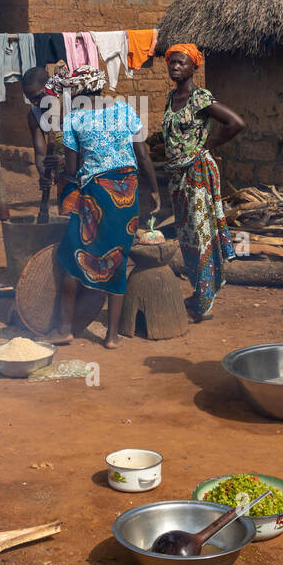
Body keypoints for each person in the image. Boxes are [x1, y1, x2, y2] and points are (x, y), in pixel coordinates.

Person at [53, 66, 160, 347]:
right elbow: (143, 155)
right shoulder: (125, 110)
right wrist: (156, 190)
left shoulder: (74, 120)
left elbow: (72, 168)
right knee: (118, 258)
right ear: (99, 87)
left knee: (73, 256)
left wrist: (59, 177)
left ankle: (64, 329)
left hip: (97, 195)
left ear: (76, 91)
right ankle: (111, 337)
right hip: (127, 192)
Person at [162, 44, 245, 321]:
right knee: (187, 237)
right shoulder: (171, 97)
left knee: (202, 235)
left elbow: (236, 123)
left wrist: (209, 144)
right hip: (177, 177)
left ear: (194, 67)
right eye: (172, 62)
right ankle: (200, 291)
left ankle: (206, 301)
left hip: (197, 174)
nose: (175, 67)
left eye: (181, 63)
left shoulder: (200, 98)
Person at [24, 65, 65, 223]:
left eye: (38, 97)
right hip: (64, 175)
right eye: (30, 99)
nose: (35, 103)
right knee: (69, 218)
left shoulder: (71, 104)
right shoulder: (34, 115)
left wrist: (67, 160)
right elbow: (40, 154)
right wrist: (44, 175)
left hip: (86, 171)